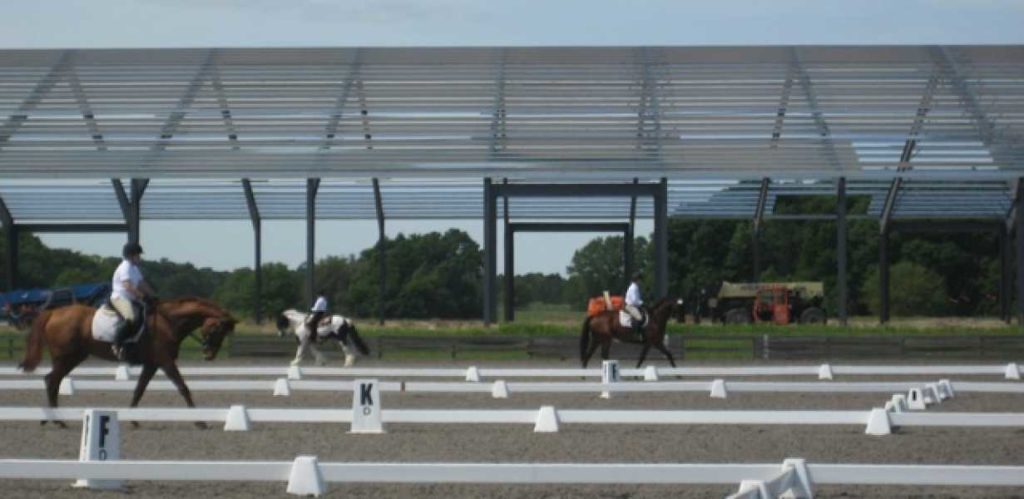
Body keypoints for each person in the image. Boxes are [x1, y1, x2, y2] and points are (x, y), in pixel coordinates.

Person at [110, 242, 156, 360]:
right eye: (138, 255)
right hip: (120, 297)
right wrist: (142, 296)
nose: (139, 258)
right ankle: (117, 343)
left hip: (131, 299)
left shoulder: (134, 268)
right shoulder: (125, 267)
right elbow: (127, 285)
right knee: (131, 317)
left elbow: (142, 283)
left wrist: (153, 295)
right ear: (131, 255)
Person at [624, 272, 645, 338]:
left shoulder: (636, 287)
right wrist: (642, 303)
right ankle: (635, 334)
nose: (641, 282)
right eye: (640, 280)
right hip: (631, 306)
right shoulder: (633, 288)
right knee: (639, 318)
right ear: (637, 280)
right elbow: (634, 300)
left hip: (634, 305)